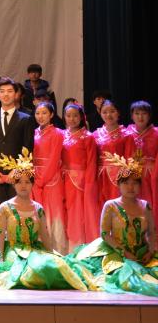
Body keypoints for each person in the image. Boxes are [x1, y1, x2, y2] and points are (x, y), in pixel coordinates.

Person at [0, 157, 93, 290]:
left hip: (34, 250)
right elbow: (0, 236)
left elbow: (45, 236)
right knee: (27, 270)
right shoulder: (5, 207)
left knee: (55, 265)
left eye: (27, 182)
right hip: (13, 251)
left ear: (32, 184)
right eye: (19, 182)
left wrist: (52, 254)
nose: (23, 186)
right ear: (14, 184)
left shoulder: (38, 208)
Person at [75, 153, 158, 296]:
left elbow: (152, 232)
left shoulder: (146, 206)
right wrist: (124, 253)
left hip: (142, 253)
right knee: (128, 279)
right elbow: (105, 234)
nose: (130, 187)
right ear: (118, 185)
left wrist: (150, 251)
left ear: (140, 186)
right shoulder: (111, 205)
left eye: (135, 183)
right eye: (126, 183)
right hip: (116, 252)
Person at [0, 78, 34, 212]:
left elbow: (28, 148)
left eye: (10, 91)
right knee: (0, 212)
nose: (6, 94)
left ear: (16, 94)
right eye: (2, 91)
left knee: (17, 212)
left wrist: (17, 170)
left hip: (18, 175)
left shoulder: (25, 118)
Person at [30, 101, 67, 254]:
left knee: (53, 213)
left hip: (51, 179)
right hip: (36, 177)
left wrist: (41, 180)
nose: (40, 116)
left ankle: (56, 250)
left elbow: (54, 159)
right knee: (39, 213)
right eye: (38, 113)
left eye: (44, 113)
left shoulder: (58, 133)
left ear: (51, 115)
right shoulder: (34, 132)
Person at [61, 103, 100, 248]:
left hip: (80, 181)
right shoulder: (62, 134)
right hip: (63, 179)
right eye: (68, 116)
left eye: (75, 116)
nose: (72, 119)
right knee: (66, 211)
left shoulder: (88, 137)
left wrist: (89, 184)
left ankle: (78, 246)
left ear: (81, 117)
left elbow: (91, 162)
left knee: (78, 213)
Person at [95, 100, 132, 204]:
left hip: (119, 177)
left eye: (112, 111)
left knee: (118, 206)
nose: (108, 115)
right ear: (100, 113)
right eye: (104, 112)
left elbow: (130, 161)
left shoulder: (127, 135)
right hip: (99, 176)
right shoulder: (95, 135)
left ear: (118, 112)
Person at [127, 101, 157, 203]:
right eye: (137, 113)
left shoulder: (156, 133)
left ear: (149, 116)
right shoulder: (127, 133)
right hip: (132, 174)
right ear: (132, 116)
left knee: (150, 203)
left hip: (151, 174)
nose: (140, 117)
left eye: (144, 113)